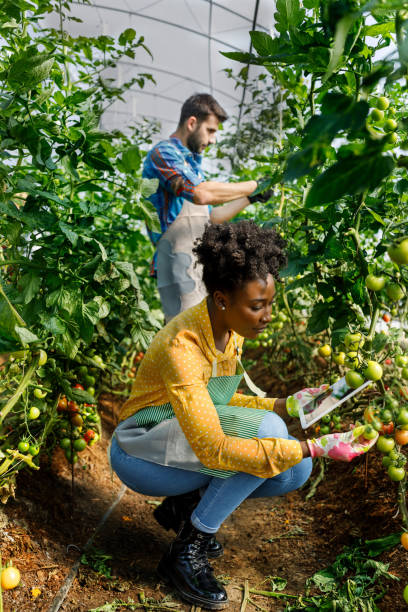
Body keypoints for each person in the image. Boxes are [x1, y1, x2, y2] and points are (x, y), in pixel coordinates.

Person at [110, 221, 377, 610]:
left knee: (293, 470)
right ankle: (186, 552)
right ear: (221, 299)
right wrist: (314, 447)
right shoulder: (182, 346)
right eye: (258, 305)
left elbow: (219, 403)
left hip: (177, 439)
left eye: (269, 302)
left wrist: (285, 404)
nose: (267, 315)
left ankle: (183, 506)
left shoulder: (229, 331)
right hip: (139, 452)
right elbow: (216, 447)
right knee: (274, 439)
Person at [143, 93, 272, 321]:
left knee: (207, 332)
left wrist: (251, 198)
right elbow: (201, 195)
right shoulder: (163, 154)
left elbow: (211, 217)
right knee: (187, 332)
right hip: (177, 260)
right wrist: (253, 185)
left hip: (199, 260)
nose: (213, 139)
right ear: (192, 123)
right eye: (210, 131)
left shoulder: (192, 165)